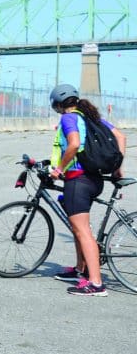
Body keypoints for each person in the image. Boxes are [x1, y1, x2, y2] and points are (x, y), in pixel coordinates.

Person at [48, 83, 126, 296]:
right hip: (94, 179)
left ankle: (96, 283)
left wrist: (59, 169)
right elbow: (121, 137)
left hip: (78, 180)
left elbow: (73, 144)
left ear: (57, 104)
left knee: (83, 231)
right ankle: (80, 269)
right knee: (78, 228)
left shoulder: (69, 118)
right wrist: (117, 168)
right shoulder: (92, 117)